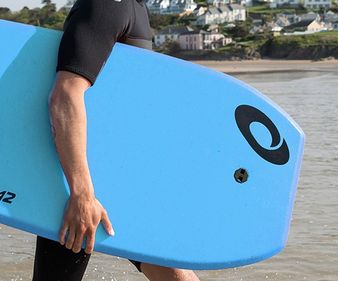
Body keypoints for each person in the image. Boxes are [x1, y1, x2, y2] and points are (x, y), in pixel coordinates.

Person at [34, 0, 200, 280]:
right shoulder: (116, 5)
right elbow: (68, 95)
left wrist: (83, 194)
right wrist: (83, 193)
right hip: (90, 184)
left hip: (102, 183)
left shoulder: (119, 6)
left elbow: (82, 96)